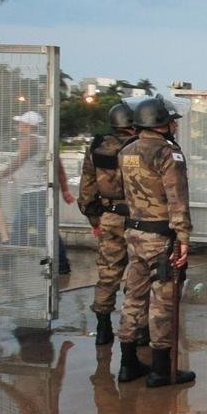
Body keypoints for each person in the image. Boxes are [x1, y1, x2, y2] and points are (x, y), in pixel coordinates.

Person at [117, 96, 195, 387]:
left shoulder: (127, 151)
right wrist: (184, 237)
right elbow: (177, 199)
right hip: (161, 237)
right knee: (163, 302)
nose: (175, 125)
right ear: (160, 123)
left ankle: (127, 364)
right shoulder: (167, 154)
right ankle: (161, 370)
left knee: (133, 298)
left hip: (134, 233)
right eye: (172, 120)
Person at [77, 102, 137, 345]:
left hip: (109, 216)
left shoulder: (97, 146)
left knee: (108, 272)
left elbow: (87, 186)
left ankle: (103, 327)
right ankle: (136, 328)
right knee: (139, 273)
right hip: (139, 218)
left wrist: (94, 217)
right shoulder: (139, 147)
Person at [0, 110, 75, 273]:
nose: (18, 125)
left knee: (45, 230)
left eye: (20, 123)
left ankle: (61, 264)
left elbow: (18, 161)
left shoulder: (30, 141)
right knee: (19, 228)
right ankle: (7, 260)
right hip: (36, 191)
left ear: (27, 125)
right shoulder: (46, 141)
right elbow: (59, 167)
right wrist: (65, 190)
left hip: (32, 193)